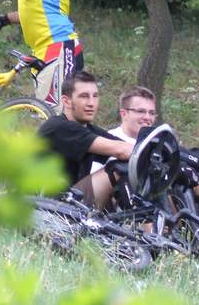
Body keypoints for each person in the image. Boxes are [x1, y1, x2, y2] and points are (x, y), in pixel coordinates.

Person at [104, 85, 199, 223]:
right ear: (124, 113)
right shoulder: (110, 140)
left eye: (151, 113)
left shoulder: (158, 141)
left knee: (192, 176)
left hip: (164, 198)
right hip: (126, 206)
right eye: (141, 111)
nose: (147, 117)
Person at [38, 71, 131, 209]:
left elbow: (127, 146)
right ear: (66, 101)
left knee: (133, 166)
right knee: (119, 169)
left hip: (68, 204)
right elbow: (121, 150)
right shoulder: (58, 127)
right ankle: (145, 222)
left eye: (95, 96)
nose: (91, 103)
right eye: (84, 96)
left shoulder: (88, 130)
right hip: (44, 207)